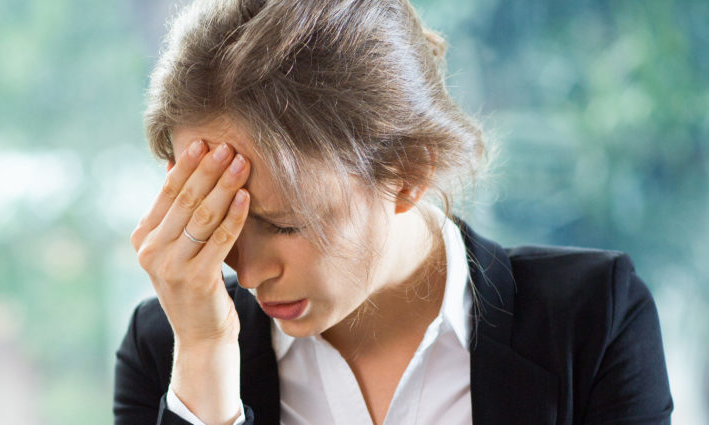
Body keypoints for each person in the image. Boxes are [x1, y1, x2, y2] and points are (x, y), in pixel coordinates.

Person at [114, 0, 673, 424]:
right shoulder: (169, 349)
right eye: (219, 219)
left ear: (407, 172)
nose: (250, 272)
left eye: (283, 223)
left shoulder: (593, 321)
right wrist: (205, 356)